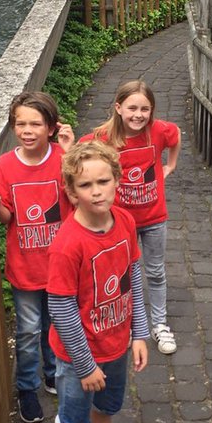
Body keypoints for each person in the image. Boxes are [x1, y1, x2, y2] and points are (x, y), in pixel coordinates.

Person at [46, 141, 149, 423]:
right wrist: (85, 363)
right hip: (79, 357)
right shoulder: (67, 245)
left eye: (104, 181)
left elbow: (132, 279)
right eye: (86, 185)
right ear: (72, 192)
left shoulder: (124, 221)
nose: (97, 191)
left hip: (116, 341)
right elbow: (62, 310)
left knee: (106, 407)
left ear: (117, 181)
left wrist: (139, 332)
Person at [0, 92, 75, 423]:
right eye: (21, 123)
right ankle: (26, 388)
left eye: (36, 123)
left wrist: (72, 150)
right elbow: (9, 219)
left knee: (56, 325)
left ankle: (51, 374)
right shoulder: (5, 165)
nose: (28, 130)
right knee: (29, 330)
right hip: (25, 267)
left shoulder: (62, 159)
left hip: (60, 265)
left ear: (51, 127)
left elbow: (79, 199)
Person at [84, 80, 180, 355]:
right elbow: (79, 156)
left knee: (156, 271)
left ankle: (159, 323)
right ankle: (126, 324)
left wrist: (169, 166)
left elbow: (176, 136)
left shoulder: (159, 131)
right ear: (118, 107)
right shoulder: (103, 137)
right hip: (118, 220)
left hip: (153, 217)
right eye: (132, 108)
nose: (138, 115)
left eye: (145, 109)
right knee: (122, 273)